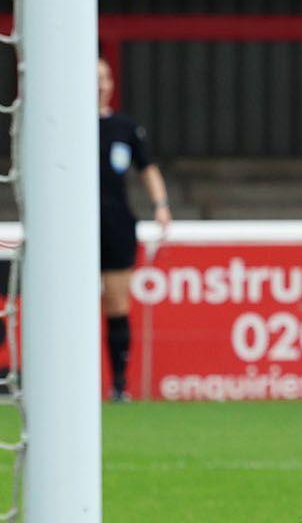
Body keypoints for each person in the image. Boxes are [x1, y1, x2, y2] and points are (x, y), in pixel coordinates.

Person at [98, 57, 171, 402]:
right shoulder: (66, 124)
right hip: (70, 229)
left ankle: (118, 385)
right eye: (94, 78)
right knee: (68, 305)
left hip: (114, 225)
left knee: (116, 303)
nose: (100, 84)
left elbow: (148, 168)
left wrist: (161, 205)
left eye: (105, 77)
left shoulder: (124, 127)